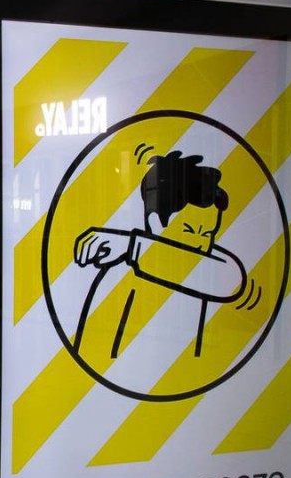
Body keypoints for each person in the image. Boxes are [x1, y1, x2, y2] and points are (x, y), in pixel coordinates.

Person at [72, 150, 247, 359]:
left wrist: (132, 245)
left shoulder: (202, 274)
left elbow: (234, 278)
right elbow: (92, 352)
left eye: (208, 234)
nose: (202, 246)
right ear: (155, 222)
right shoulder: (119, 280)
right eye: (190, 231)